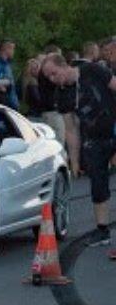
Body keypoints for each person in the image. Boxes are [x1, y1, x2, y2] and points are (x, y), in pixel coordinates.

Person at [41, 53, 116, 249]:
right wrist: (73, 160)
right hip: (93, 139)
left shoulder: (92, 70)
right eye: (48, 77)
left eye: (54, 73)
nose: (52, 79)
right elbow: (71, 129)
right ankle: (102, 230)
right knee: (98, 184)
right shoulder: (62, 95)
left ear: (63, 65)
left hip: (113, 128)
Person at [0, 40, 20, 110]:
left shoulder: (7, 64)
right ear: (6, 48)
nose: (13, 52)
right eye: (13, 49)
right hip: (6, 105)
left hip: (12, 104)